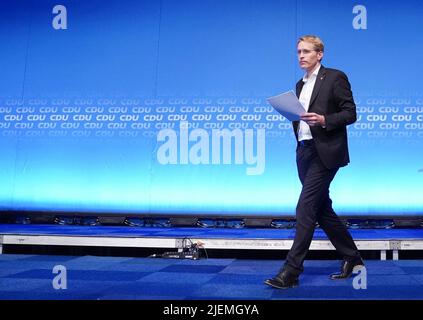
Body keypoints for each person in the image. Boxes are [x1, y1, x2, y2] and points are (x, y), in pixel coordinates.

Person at [265, 35, 364, 289]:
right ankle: (352, 258)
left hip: (326, 152)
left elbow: (350, 113)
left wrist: (324, 120)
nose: (301, 56)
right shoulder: (299, 84)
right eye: (298, 51)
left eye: (306, 51)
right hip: (305, 152)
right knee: (321, 209)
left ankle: (291, 271)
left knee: (305, 208)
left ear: (319, 54)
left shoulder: (335, 77)